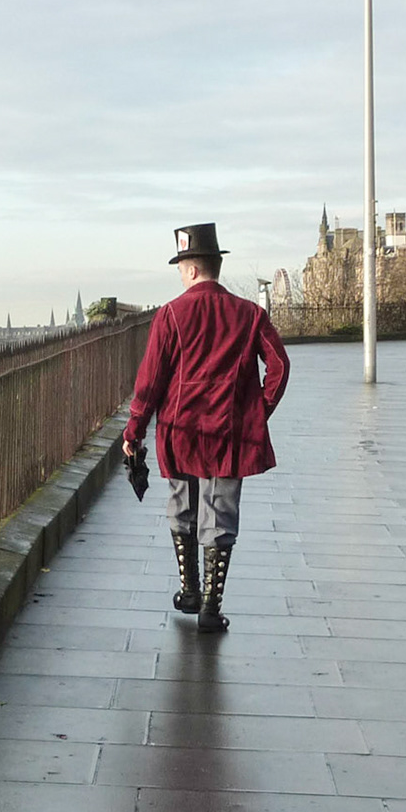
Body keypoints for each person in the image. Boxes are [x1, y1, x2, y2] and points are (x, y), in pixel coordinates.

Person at [122, 222, 290, 632]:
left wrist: (134, 431)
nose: (180, 274)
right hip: (231, 430)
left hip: (180, 430)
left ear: (192, 269)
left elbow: (150, 381)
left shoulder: (170, 315)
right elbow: (280, 367)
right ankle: (210, 609)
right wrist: (256, 411)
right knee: (221, 514)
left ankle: (189, 588)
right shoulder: (250, 314)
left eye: (181, 266)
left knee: (183, 507)